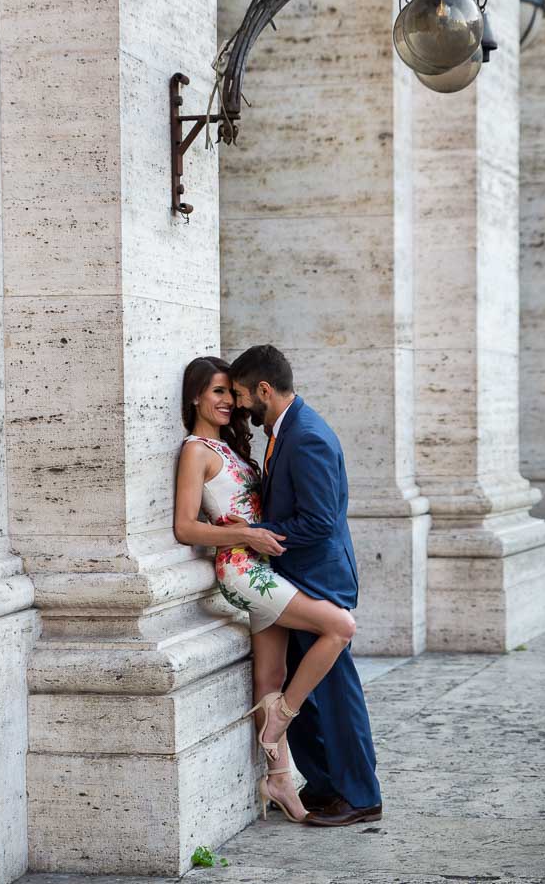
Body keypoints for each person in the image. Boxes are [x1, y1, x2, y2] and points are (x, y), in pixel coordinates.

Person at [174, 356, 358, 824]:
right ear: (195, 396)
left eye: (230, 393)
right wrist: (246, 536)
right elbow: (184, 527)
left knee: (268, 679)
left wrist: (256, 530)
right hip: (243, 570)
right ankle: (284, 715)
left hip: (265, 563)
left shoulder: (236, 450)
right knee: (339, 627)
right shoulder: (195, 450)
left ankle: (278, 780)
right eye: (217, 392)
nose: (228, 402)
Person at [227, 344, 382, 827]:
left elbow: (317, 521)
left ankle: (361, 796)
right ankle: (328, 787)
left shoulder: (308, 436)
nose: (238, 405)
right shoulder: (283, 430)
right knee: (309, 693)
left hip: (320, 579)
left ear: (264, 390)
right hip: (296, 578)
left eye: (241, 395)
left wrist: (257, 539)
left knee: (336, 693)